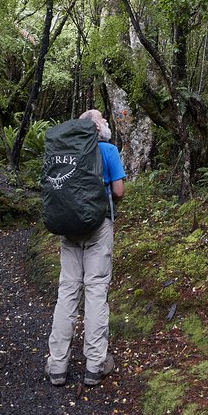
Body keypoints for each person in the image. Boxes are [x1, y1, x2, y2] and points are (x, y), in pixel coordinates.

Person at [44, 108, 126, 387]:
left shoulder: (64, 151)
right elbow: (118, 192)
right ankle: (95, 364)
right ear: (96, 127)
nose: (105, 122)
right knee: (95, 289)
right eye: (102, 118)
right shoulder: (107, 150)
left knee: (67, 290)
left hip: (68, 227)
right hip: (98, 227)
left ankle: (57, 365)